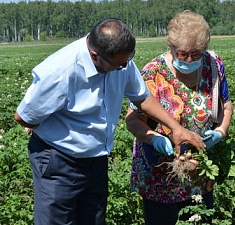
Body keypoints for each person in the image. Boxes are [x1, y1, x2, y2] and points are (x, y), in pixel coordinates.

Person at [14, 17, 205, 225]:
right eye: (119, 65)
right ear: (95, 56)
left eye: (126, 62)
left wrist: (175, 128)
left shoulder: (120, 61)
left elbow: (142, 98)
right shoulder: (60, 71)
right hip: (59, 161)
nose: (124, 68)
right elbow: (24, 117)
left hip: (97, 158)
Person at [125, 10, 234, 225]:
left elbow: (227, 106)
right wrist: (154, 139)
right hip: (159, 175)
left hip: (199, 171)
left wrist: (220, 132)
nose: (189, 59)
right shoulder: (153, 72)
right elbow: (132, 119)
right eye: (183, 53)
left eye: (196, 54)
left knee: (200, 219)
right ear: (171, 46)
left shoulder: (214, 66)